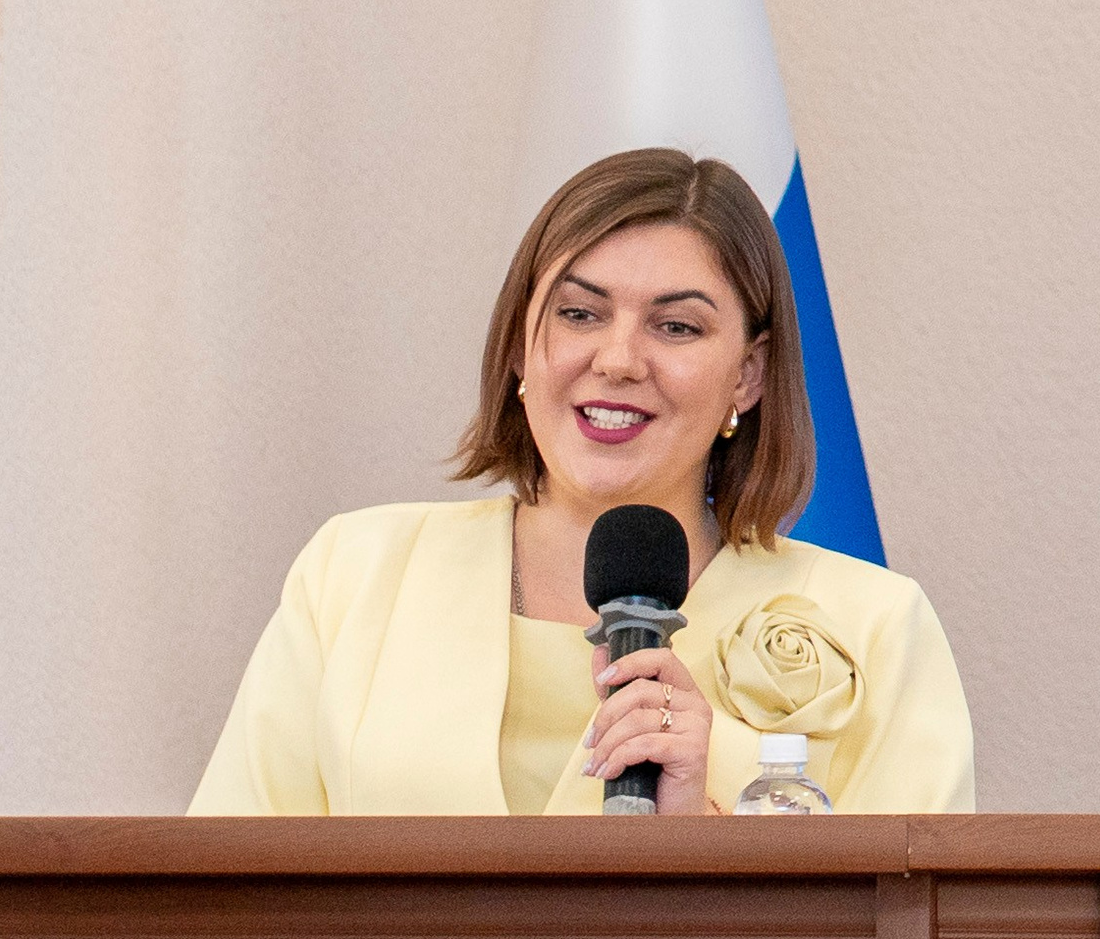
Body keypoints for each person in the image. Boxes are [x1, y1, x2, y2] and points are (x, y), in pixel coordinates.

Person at [189, 148, 973, 816]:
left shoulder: (876, 627)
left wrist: (707, 839)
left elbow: (903, 930)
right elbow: (223, 905)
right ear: (519, 347)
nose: (619, 359)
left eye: (676, 326)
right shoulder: (353, 574)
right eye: (579, 313)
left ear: (748, 374)